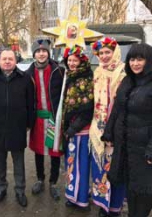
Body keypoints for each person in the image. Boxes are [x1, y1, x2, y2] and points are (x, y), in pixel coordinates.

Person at [101, 43, 152, 217]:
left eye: (140, 59)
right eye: (132, 59)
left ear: (150, 61)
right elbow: (117, 109)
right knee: (130, 189)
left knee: (144, 193)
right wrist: (108, 133)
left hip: (146, 151)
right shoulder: (128, 81)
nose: (135, 63)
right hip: (126, 148)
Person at [0, 49, 35, 207]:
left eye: (10, 59)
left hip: (18, 126)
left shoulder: (25, 78)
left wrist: (29, 123)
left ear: (15, 61)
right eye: (4, 59)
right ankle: (1, 188)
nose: (7, 61)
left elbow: (31, 103)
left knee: (18, 160)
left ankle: (20, 190)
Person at [89, 37, 126, 217]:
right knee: (100, 167)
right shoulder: (97, 72)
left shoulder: (125, 72)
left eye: (107, 52)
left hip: (119, 128)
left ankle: (115, 207)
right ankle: (102, 204)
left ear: (114, 52)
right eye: (101, 53)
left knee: (117, 167)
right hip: (98, 127)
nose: (103, 56)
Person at [26, 39, 64, 200]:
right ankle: (40, 179)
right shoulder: (27, 74)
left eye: (44, 51)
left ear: (48, 53)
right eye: (38, 51)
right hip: (37, 119)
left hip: (54, 117)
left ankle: (53, 182)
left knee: (55, 151)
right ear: (34, 54)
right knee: (39, 151)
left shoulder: (59, 70)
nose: (41, 54)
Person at [61, 46, 94, 209]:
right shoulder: (71, 75)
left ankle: (81, 200)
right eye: (69, 60)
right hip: (72, 129)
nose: (72, 63)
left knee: (79, 165)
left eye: (75, 60)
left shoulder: (85, 78)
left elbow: (87, 108)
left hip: (81, 129)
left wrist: (72, 129)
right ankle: (73, 195)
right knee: (72, 164)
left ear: (81, 61)